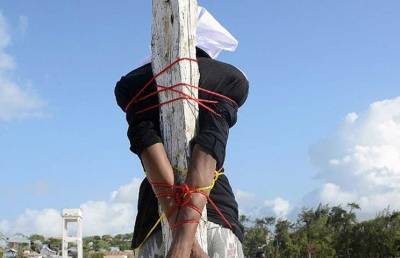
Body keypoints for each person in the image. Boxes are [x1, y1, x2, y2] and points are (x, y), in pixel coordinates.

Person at [115, 7, 249, 258]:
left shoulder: (137, 87)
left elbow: (146, 142)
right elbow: (211, 146)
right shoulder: (225, 81)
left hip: (155, 220)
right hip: (216, 213)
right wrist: (185, 241)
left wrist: (181, 239)